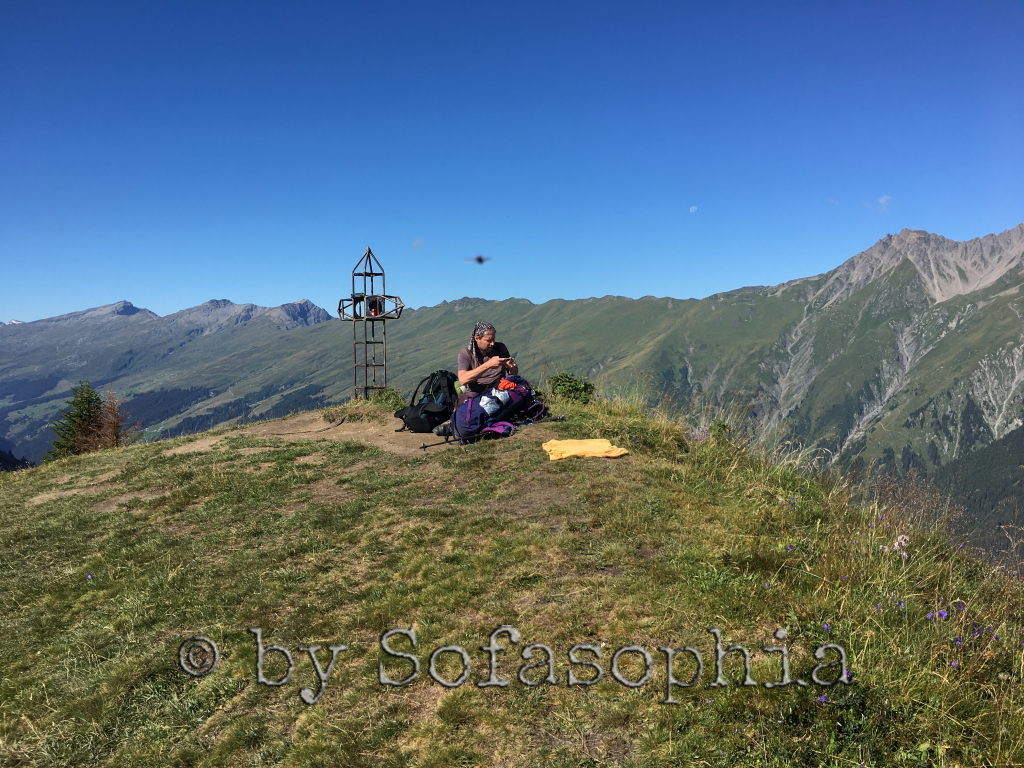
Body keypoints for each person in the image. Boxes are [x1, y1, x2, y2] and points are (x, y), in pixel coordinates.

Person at [456, 321, 518, 406]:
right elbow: (463, 379)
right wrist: (488, 365)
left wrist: (512, 368)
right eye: (488, 340)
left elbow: (513, 374)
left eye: (493, 339)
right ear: (477, 338)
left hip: (500, 390)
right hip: (477, 396)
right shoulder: (466, 354)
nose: (492, 343)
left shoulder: (500, 347)